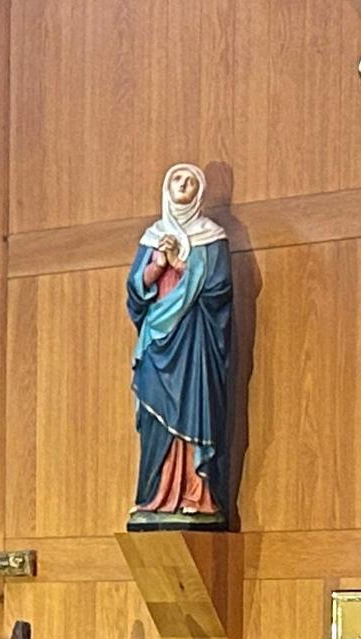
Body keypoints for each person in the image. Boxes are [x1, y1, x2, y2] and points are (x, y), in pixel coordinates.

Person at [126, 163, 236, 530]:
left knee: (194, 410)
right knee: (156, 418)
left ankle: (195, 493)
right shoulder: (152, 236)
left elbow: (219, 289)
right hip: (157, 343)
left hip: (193, 342)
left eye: (190, 181)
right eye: (177, 179)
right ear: (166, 187)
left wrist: (181, 264)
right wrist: (157, 265)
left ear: (199, 192)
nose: (183, 185)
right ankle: (156, 495)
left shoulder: (211, 236)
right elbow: (135, 294)